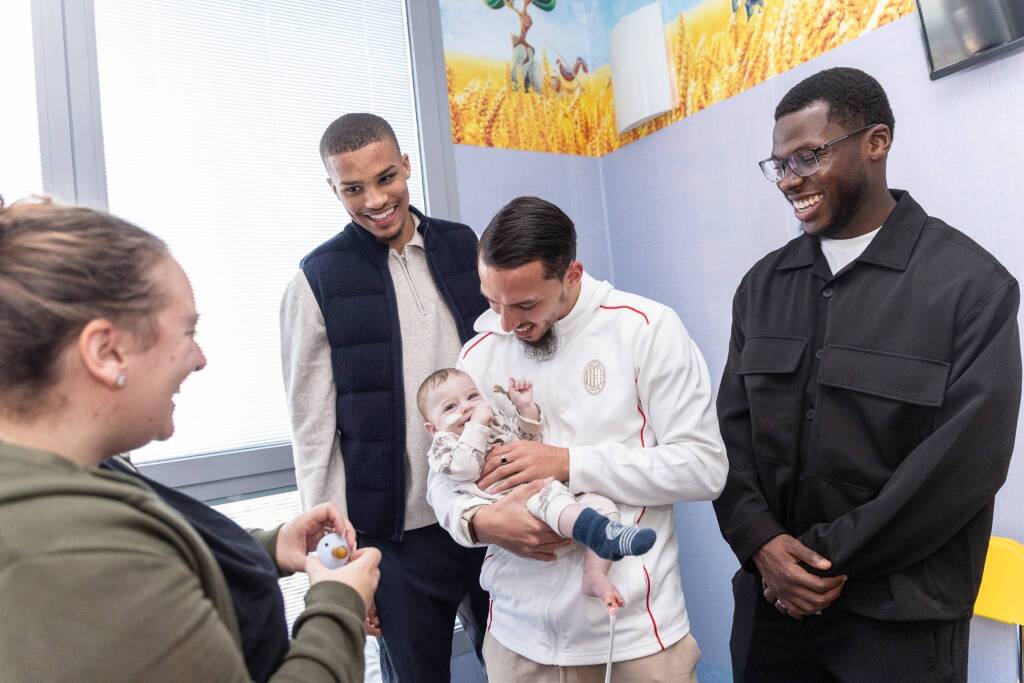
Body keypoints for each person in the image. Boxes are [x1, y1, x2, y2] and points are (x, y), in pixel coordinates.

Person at [713, 67, 1021, 682]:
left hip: (897, 624)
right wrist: (760, 542)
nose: (790, 180)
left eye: (808, 157)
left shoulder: (970, 287)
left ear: (876, 142)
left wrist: (818, 560)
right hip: (772, 614)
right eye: (779, 164)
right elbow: (729, 436)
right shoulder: (760, 288)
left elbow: (961, 467)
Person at [0, 197, 381, 682]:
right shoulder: (68, 553)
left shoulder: (76, 472)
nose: (199, 359)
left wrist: (267, 548)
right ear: (106, 351)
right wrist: (338, 604)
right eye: (187, 332)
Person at [428, 195, 728, 682]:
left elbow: (704, 467)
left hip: (633, 637)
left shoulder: (645, 330)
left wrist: (568, 463)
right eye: (491, 302)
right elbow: (440, 477)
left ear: (572, 275)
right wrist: (479, 521)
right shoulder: (481, 351)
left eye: (525, 304)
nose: (505, 323)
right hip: (515, 641)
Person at [280, 113, 490, 682]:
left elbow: (500, 363)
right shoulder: (316, 279)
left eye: (386, 178)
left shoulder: (463, 245)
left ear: (407, 167)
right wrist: (338, 566)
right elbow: (314, 433)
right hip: (396, 541)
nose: (375, 200)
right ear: (333, 189)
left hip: (487, 510)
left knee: (524, 666)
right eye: (353, 188)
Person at [418, 368, 658, 613]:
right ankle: (601, 534)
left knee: (601, 505)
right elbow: (463, 468)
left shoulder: (493, 423)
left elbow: (527, 439)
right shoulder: (444, 445)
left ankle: (595, 573)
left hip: (547, 490)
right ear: (432, 428)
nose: (466, 408)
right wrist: (477, 426)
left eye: (472, 397)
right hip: (513, 501)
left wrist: (525, 408)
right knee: (551, 498)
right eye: (450, 407)